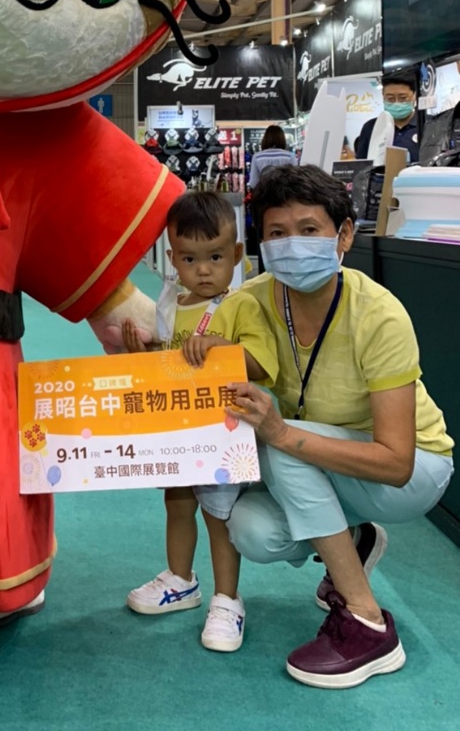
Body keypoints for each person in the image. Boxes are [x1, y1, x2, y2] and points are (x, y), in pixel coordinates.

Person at [222, 165, 453, 689]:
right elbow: (187, 365)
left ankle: (368, 623)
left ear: (344, 235)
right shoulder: (248, 303)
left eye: (309, 229)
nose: (292, 245)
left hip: (413, 470)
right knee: (252, 530)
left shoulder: (378, 315)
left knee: (283, 445)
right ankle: (353, 539)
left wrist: (282, 435)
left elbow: (397, 463)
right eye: (277, 232)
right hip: (325, 464)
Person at [122, 191, 277, 653]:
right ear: (172, 259)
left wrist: (221, 349)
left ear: (236, 254)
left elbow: (262, 365)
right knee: (176, 503)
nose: (203, 270)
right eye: (190, 259)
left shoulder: (242, 304)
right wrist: (144, 354)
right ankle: (181, 579)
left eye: (215, 257)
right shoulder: (171, 302)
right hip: (179, 431)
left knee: (218, 516)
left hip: (222, 434)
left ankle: (227, 599)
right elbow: (170, 361)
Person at [354, 71, 420, 162]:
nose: (396, 103)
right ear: (383, 97)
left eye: (403, 98)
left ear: (414, 96)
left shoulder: (426, 125)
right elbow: (361, 165)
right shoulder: (371, 127)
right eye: (390, 99)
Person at [248, 124, 297, 189]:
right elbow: (295, 180)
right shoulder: (290, 156)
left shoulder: (257, 157)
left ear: (265, 139)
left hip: (264, 193)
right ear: (282, 139)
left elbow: (253, 183)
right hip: (284, 193)